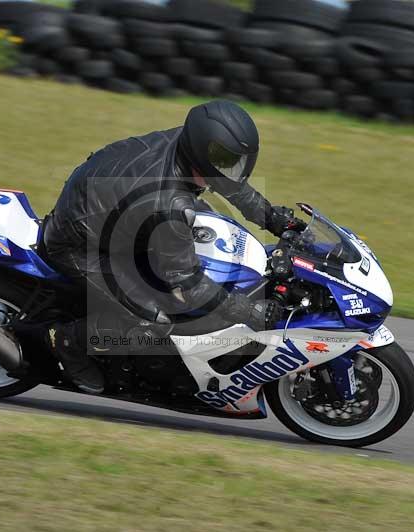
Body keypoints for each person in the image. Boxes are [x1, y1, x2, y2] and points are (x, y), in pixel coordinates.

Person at [41, 100, 305, 394]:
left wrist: (272, 219)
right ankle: (69, 341)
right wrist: (247, 311)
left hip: (108, 207)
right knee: (157, 318)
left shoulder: (187, 144)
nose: (234, 167)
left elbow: (229, 181)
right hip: (78, 244)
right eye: (228, 159)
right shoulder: (170, 203)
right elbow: (186, 283)